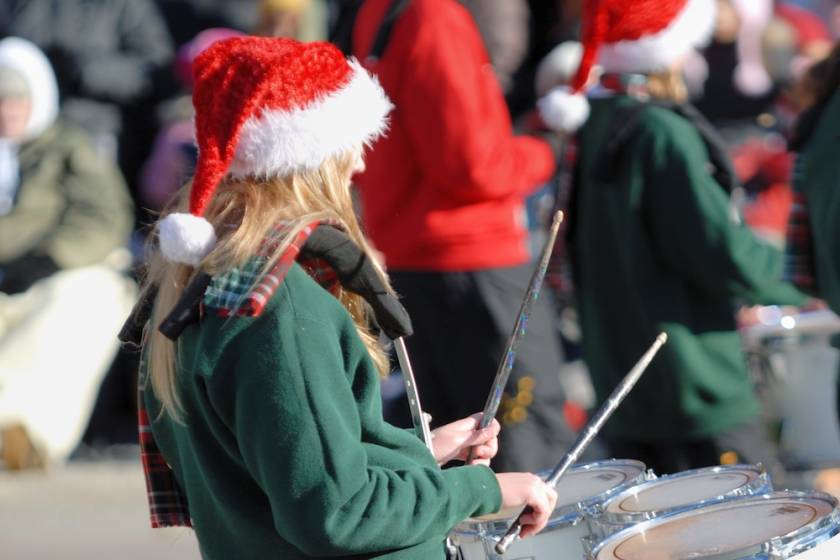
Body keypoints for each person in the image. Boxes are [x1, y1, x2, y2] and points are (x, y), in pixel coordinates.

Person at [133, 36, 558, 558]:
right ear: (311, 154)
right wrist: (482, 491)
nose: (359, 162)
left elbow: (281, 463)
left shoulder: (198, 282)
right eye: (350, 141)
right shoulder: (280, 310)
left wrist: (416, 453)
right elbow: (337, 513)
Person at [540, 0, 809, 476]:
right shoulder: (660, 131)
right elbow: (720, 251)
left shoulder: (597, 121)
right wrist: (803, 277)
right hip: (691, 380)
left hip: (625, 378)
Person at [351, 0, 575, 473]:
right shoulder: (433, 17)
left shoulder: (384, 10)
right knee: (523, 446)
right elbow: (473, 167)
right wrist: (544, 148)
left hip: (420, 257)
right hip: (474, 259)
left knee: (457, 447)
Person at [0, 37, 136, 470]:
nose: (6, 111)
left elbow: (105, 218)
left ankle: (22, 431)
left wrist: (48, 259)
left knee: (76, 305)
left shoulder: (67, 148)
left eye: (15, 100)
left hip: (59, 271)